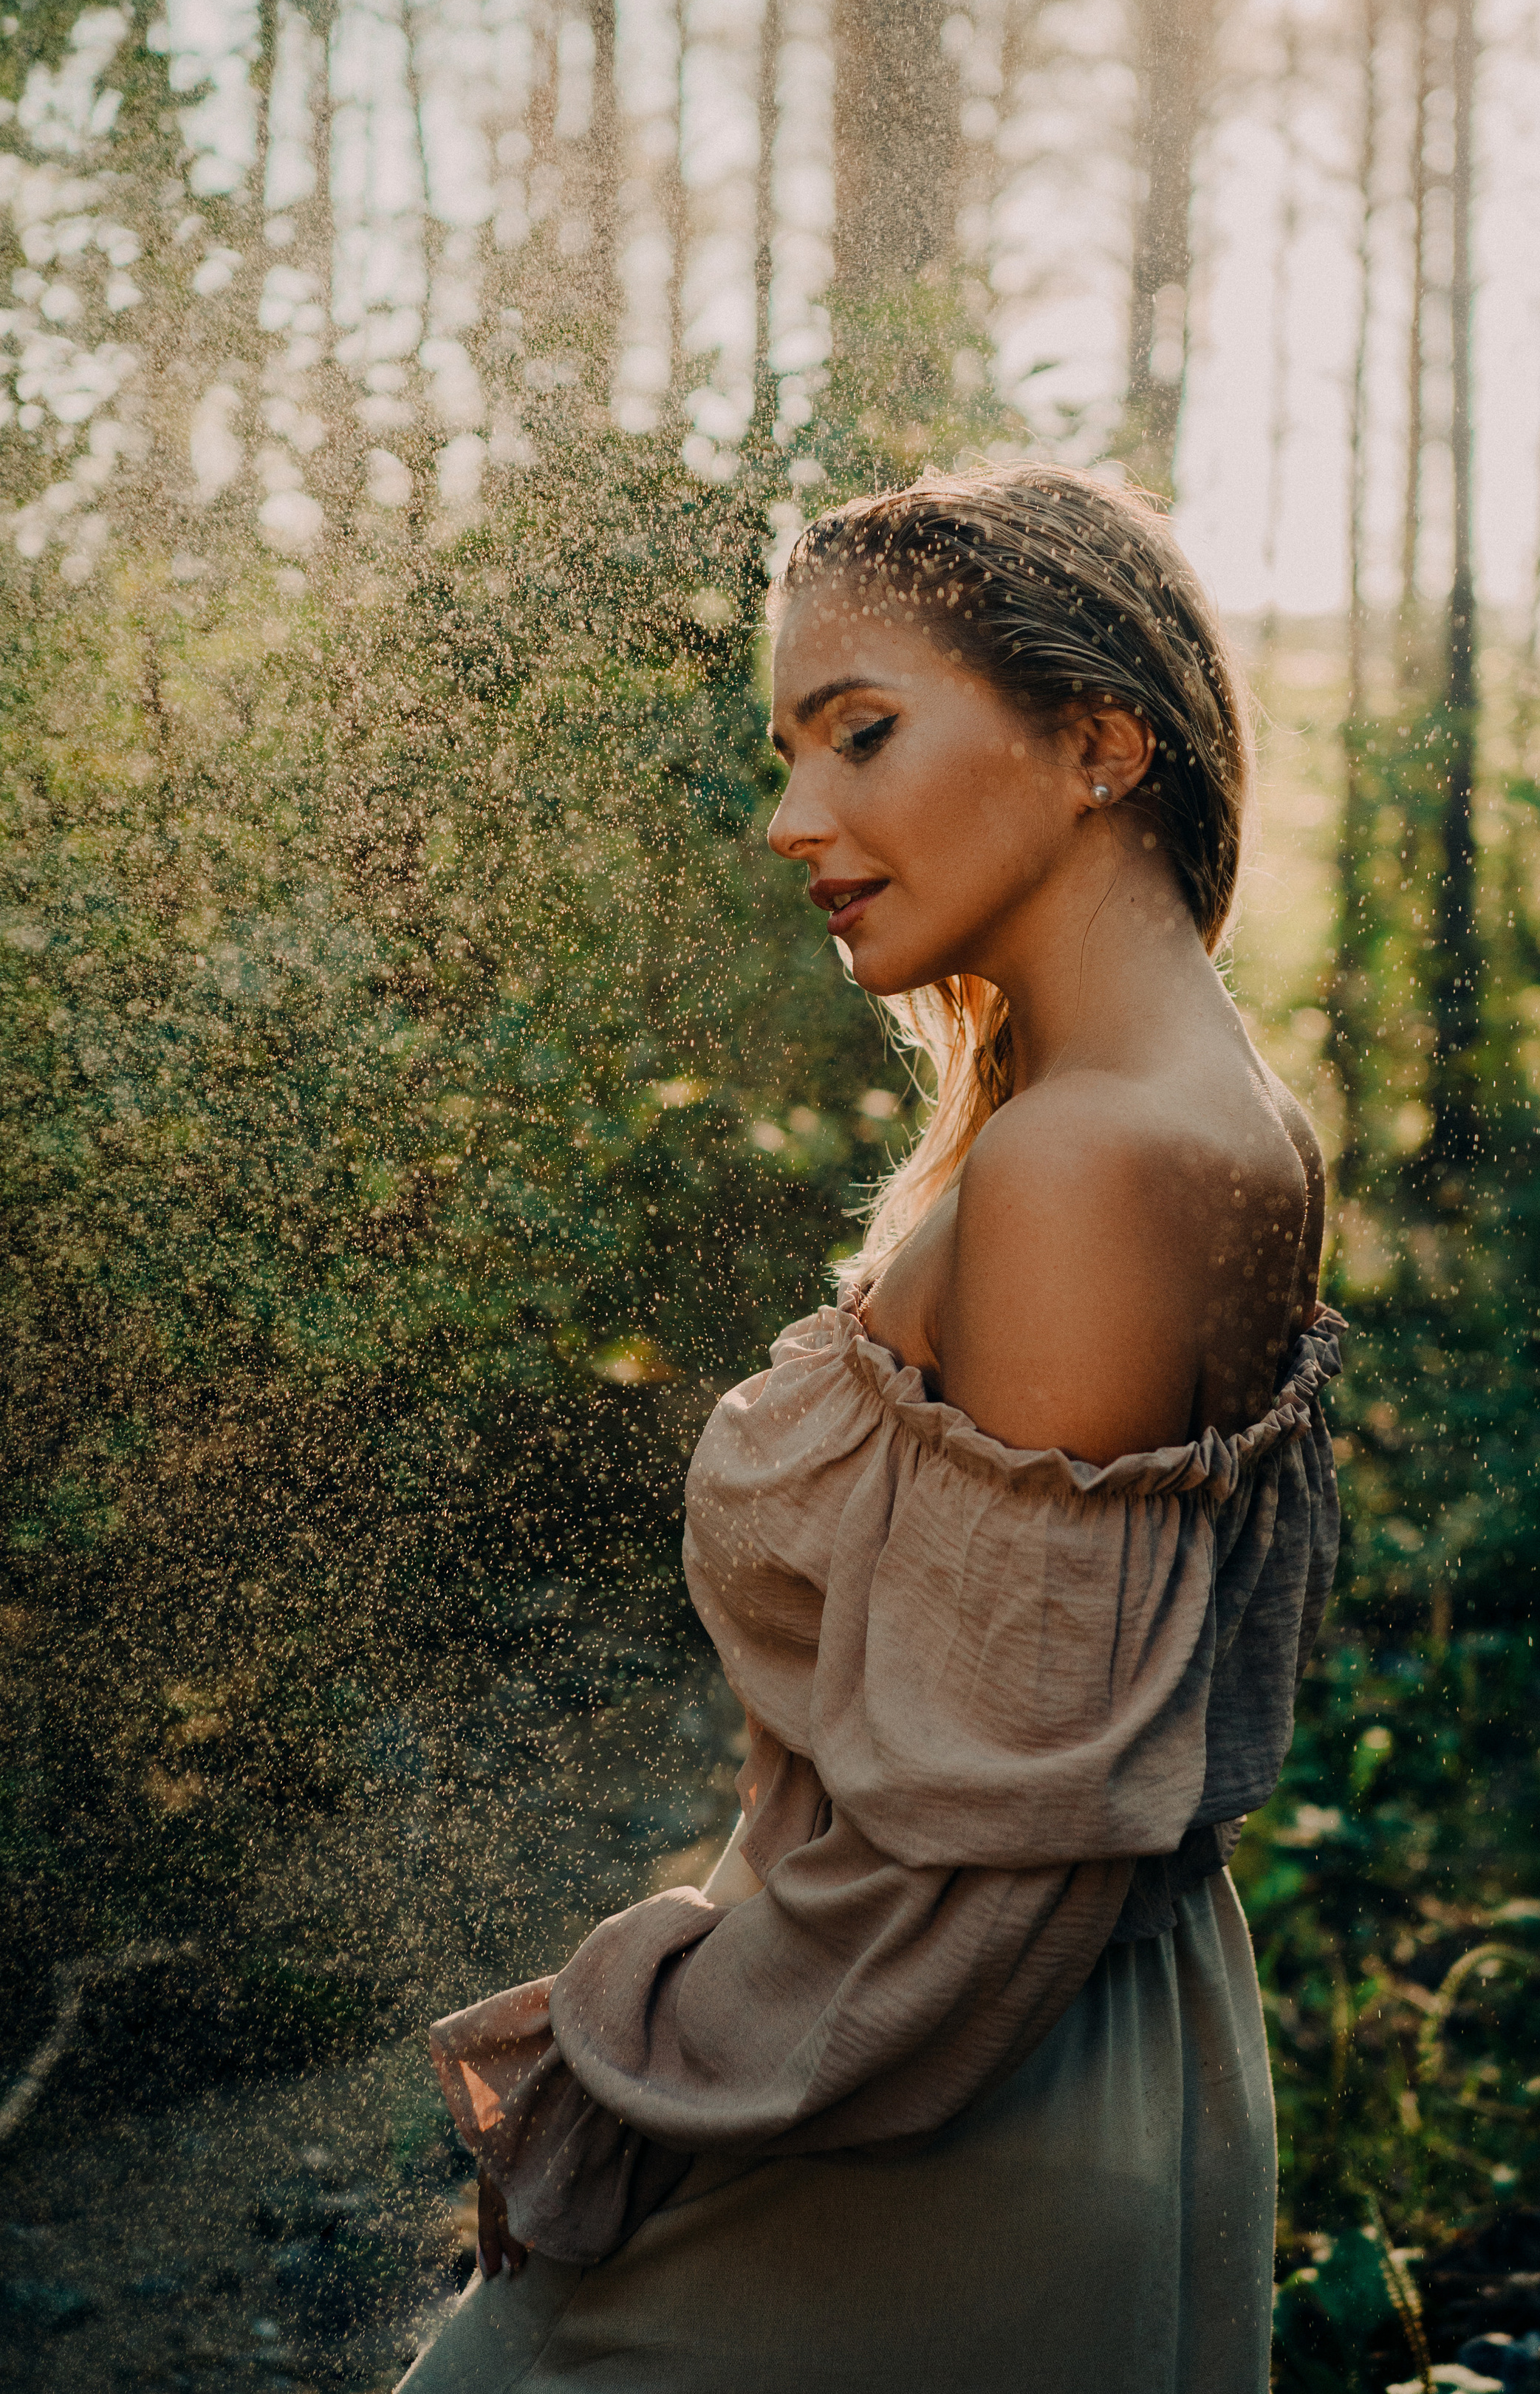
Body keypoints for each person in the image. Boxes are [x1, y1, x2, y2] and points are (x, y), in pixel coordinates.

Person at [397, 463, 1343, 2394]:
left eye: (863, 733)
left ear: (1097, 741)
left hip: (931, 2113)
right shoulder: (1186, 1108)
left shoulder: (1088, 1164)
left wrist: (642, 2068)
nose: (790, 818)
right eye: (789, 750)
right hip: (1066, 2062)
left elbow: (987, 1860)